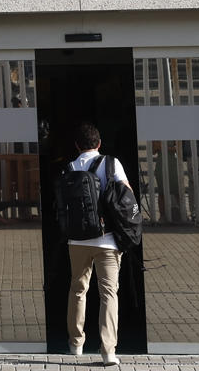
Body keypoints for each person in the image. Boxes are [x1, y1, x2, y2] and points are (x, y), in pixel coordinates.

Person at [63, 121, 128, 365]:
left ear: (76, 145)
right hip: (107, 240)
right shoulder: (111, 163)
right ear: (99, 143)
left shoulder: (69, 168)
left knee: (78, 290)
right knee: (108, 294)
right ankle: (108, 351)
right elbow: (127, 194)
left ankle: (76, 344)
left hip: (77, 240)